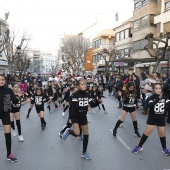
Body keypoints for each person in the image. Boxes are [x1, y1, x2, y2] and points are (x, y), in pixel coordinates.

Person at [132, 83, 170, 155]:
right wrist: (158, 98)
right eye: (156, 88)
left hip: (161, 118)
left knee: (162, 134)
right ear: (153, 89)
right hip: (152, 118)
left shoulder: (165, 97)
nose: (158, 90)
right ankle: (139, 146)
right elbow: (151, 105)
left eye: (159, 88)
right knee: (147, 133)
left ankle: (164, 149)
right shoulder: (151, 97)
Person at [61, 79, 95, 160]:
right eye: (82, 84)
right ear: (78, 86)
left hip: (83, 116)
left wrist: (97, 102)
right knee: (77, 133)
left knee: (86, 134)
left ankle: (84, 153)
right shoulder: (74, 95)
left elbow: (92, 104)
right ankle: (69, 131)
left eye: (85, 84)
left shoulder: (87, 95)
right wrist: (70, 118)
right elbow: (74, 107)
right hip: (75, 116)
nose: (84, 86)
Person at [0, 75, 22, 162]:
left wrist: (19, 96)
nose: (1, 81)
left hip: (5, 113)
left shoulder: (8, 90)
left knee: (8, 135)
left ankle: (9, 154)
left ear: (5, 81)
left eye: (2, 79)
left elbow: (15, 101)